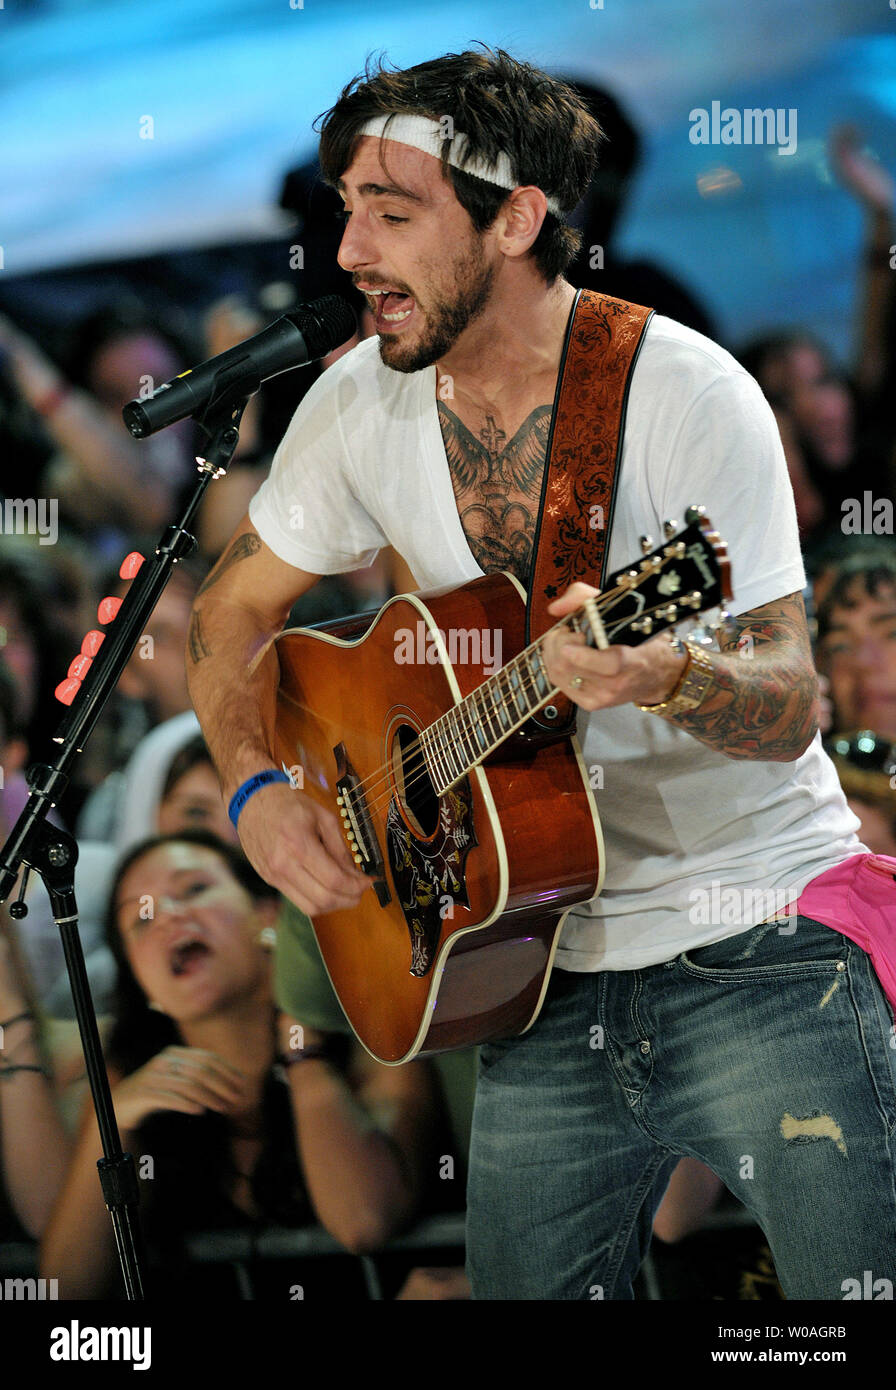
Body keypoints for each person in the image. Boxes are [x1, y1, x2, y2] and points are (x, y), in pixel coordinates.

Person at [185, 48, 896, 1300]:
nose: (347, 251)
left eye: (391, 214)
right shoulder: (352, 405)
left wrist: (663, 672)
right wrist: (253, 793)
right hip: (533, 965)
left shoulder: (685, 392)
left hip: (754, 938)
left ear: (515, 218)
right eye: (347, 208)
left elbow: (788, 696)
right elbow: (230, 615)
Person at [41, 829, 445, 1298]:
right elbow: (64, 1292)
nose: (169, 916)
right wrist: (110, 1128)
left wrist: (303, 1050)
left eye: (194, 889)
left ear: (268, 915)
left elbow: (364, 1222)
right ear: (142, 983)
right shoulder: (129, 1087)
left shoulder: (378, 1041)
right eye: (140, 919)